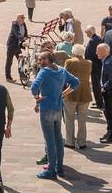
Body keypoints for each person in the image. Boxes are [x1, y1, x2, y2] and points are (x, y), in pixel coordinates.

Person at [31, 51, 79, 179]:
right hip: (58, 108)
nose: (39, 62)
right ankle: (60, 168)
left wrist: (37, 98)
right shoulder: (62, 70)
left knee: (50, 141)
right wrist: (63, 94)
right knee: (58, 139)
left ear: (48, 60)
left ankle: (51, 170)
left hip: (46, 109)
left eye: (41, 59)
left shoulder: (44, 71)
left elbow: (34, 87)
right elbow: (76, 82)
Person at [63, 43, 93, 150]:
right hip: (85, 93)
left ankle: (70, 141)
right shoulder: (89, 63)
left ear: (73, 52)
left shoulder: (70, 62)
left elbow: (64, 75)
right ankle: (82, 142)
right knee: (82, 120)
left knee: (69, 119)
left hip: (71, 93)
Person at [5, 14, 29, 82]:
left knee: (22, 61)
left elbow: (25, 32)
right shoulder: (14, 25)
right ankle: (8, 77)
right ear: (18, 18)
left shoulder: (23, 24)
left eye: (24, 18)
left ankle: (22, 75)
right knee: (9, 62)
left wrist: (26, 37)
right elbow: (17, 34)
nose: (23, 19)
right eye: (22, 18)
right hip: (12, 46)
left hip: (18, 46)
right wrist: (23, 40)